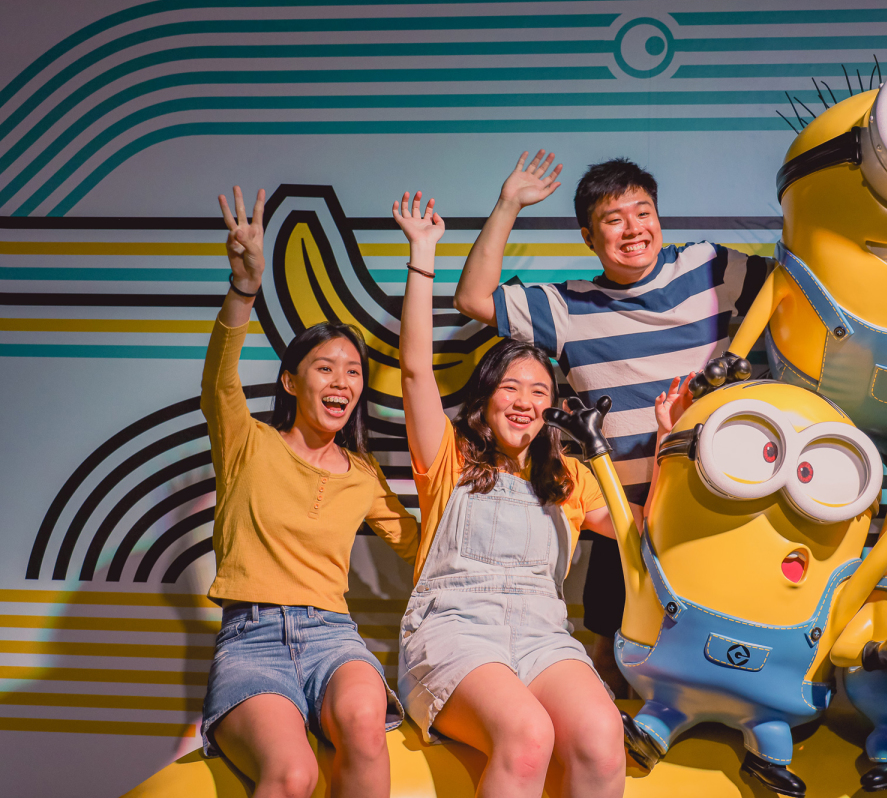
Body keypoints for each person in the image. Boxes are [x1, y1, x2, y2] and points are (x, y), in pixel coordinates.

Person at [453, 152, 771, 693]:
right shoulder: (568, 307)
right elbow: (472, 298)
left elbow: (796, 292)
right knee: (613, 655)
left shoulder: (710, 267)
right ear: (589, 236)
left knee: (731, 648)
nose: (633, 229)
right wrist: (508, 204)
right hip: (622, 522)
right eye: (613, 219)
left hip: (720, 509)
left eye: (642, 213)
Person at [392, 190, 628, 798]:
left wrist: (664, 439)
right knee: (526, 735)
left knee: (604, 737)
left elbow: (637, 534)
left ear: (554, 408)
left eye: (539, 391)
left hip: (544, 638)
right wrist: (423, 255)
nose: (525, 401)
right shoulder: (448, 457)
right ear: (486, 396)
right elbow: (415, 370)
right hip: (456, 631)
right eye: (510, 387)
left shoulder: (569, 477)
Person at [200, 186, 417, 798]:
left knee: (365, 728)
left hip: (333, 638)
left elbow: (420, 544)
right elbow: (218, 380)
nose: (342, 381)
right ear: (292, 382)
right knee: (293, 774)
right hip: (251, 640)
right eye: (325, 367)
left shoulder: (363, 474)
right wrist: (244, 288)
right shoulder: (248, 441)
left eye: (353, 372)